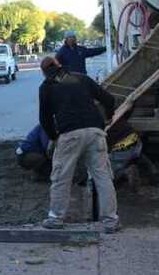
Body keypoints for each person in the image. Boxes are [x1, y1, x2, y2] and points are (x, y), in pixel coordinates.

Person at [38, 56, 120, 232]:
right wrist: (108, 117)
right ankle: (110, 220)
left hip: (69, 134)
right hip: (95, 131)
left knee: (62, 176)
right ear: (60, 65)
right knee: (103, 175)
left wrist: (54, 137)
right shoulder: (81, 78)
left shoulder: (46, 87)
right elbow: (109, 99)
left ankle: (56, 218)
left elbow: (44, 119)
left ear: (44, 73)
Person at [107, 116, 159, 189]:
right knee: (137, 155)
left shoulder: (94, 125)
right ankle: (152, 171)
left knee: (108, 175)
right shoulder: (114, 114)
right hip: (135, 142)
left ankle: (125, 172)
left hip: (122, 149)